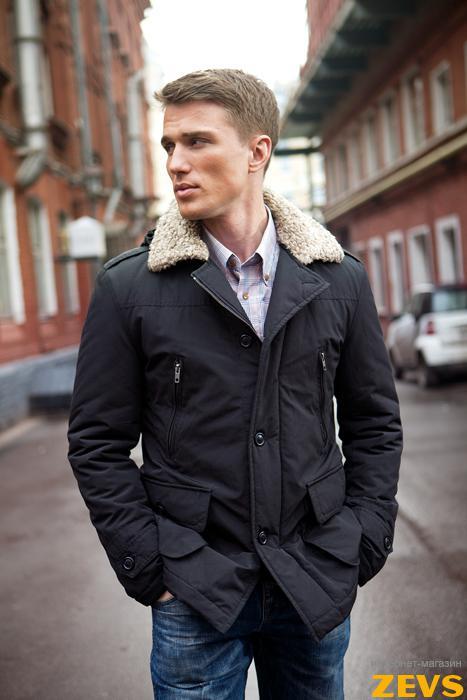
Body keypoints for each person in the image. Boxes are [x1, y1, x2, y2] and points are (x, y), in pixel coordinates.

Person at [67, 68, 403, 699]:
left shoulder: (339, 280)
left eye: (197, 141)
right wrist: (153, 566)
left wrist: (362, 539)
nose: (176, 162)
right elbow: (96, 443)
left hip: (314, 580)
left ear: (257, 151)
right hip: (195, 589)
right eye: (169, 145)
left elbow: (375, 422)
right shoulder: (128, 288)